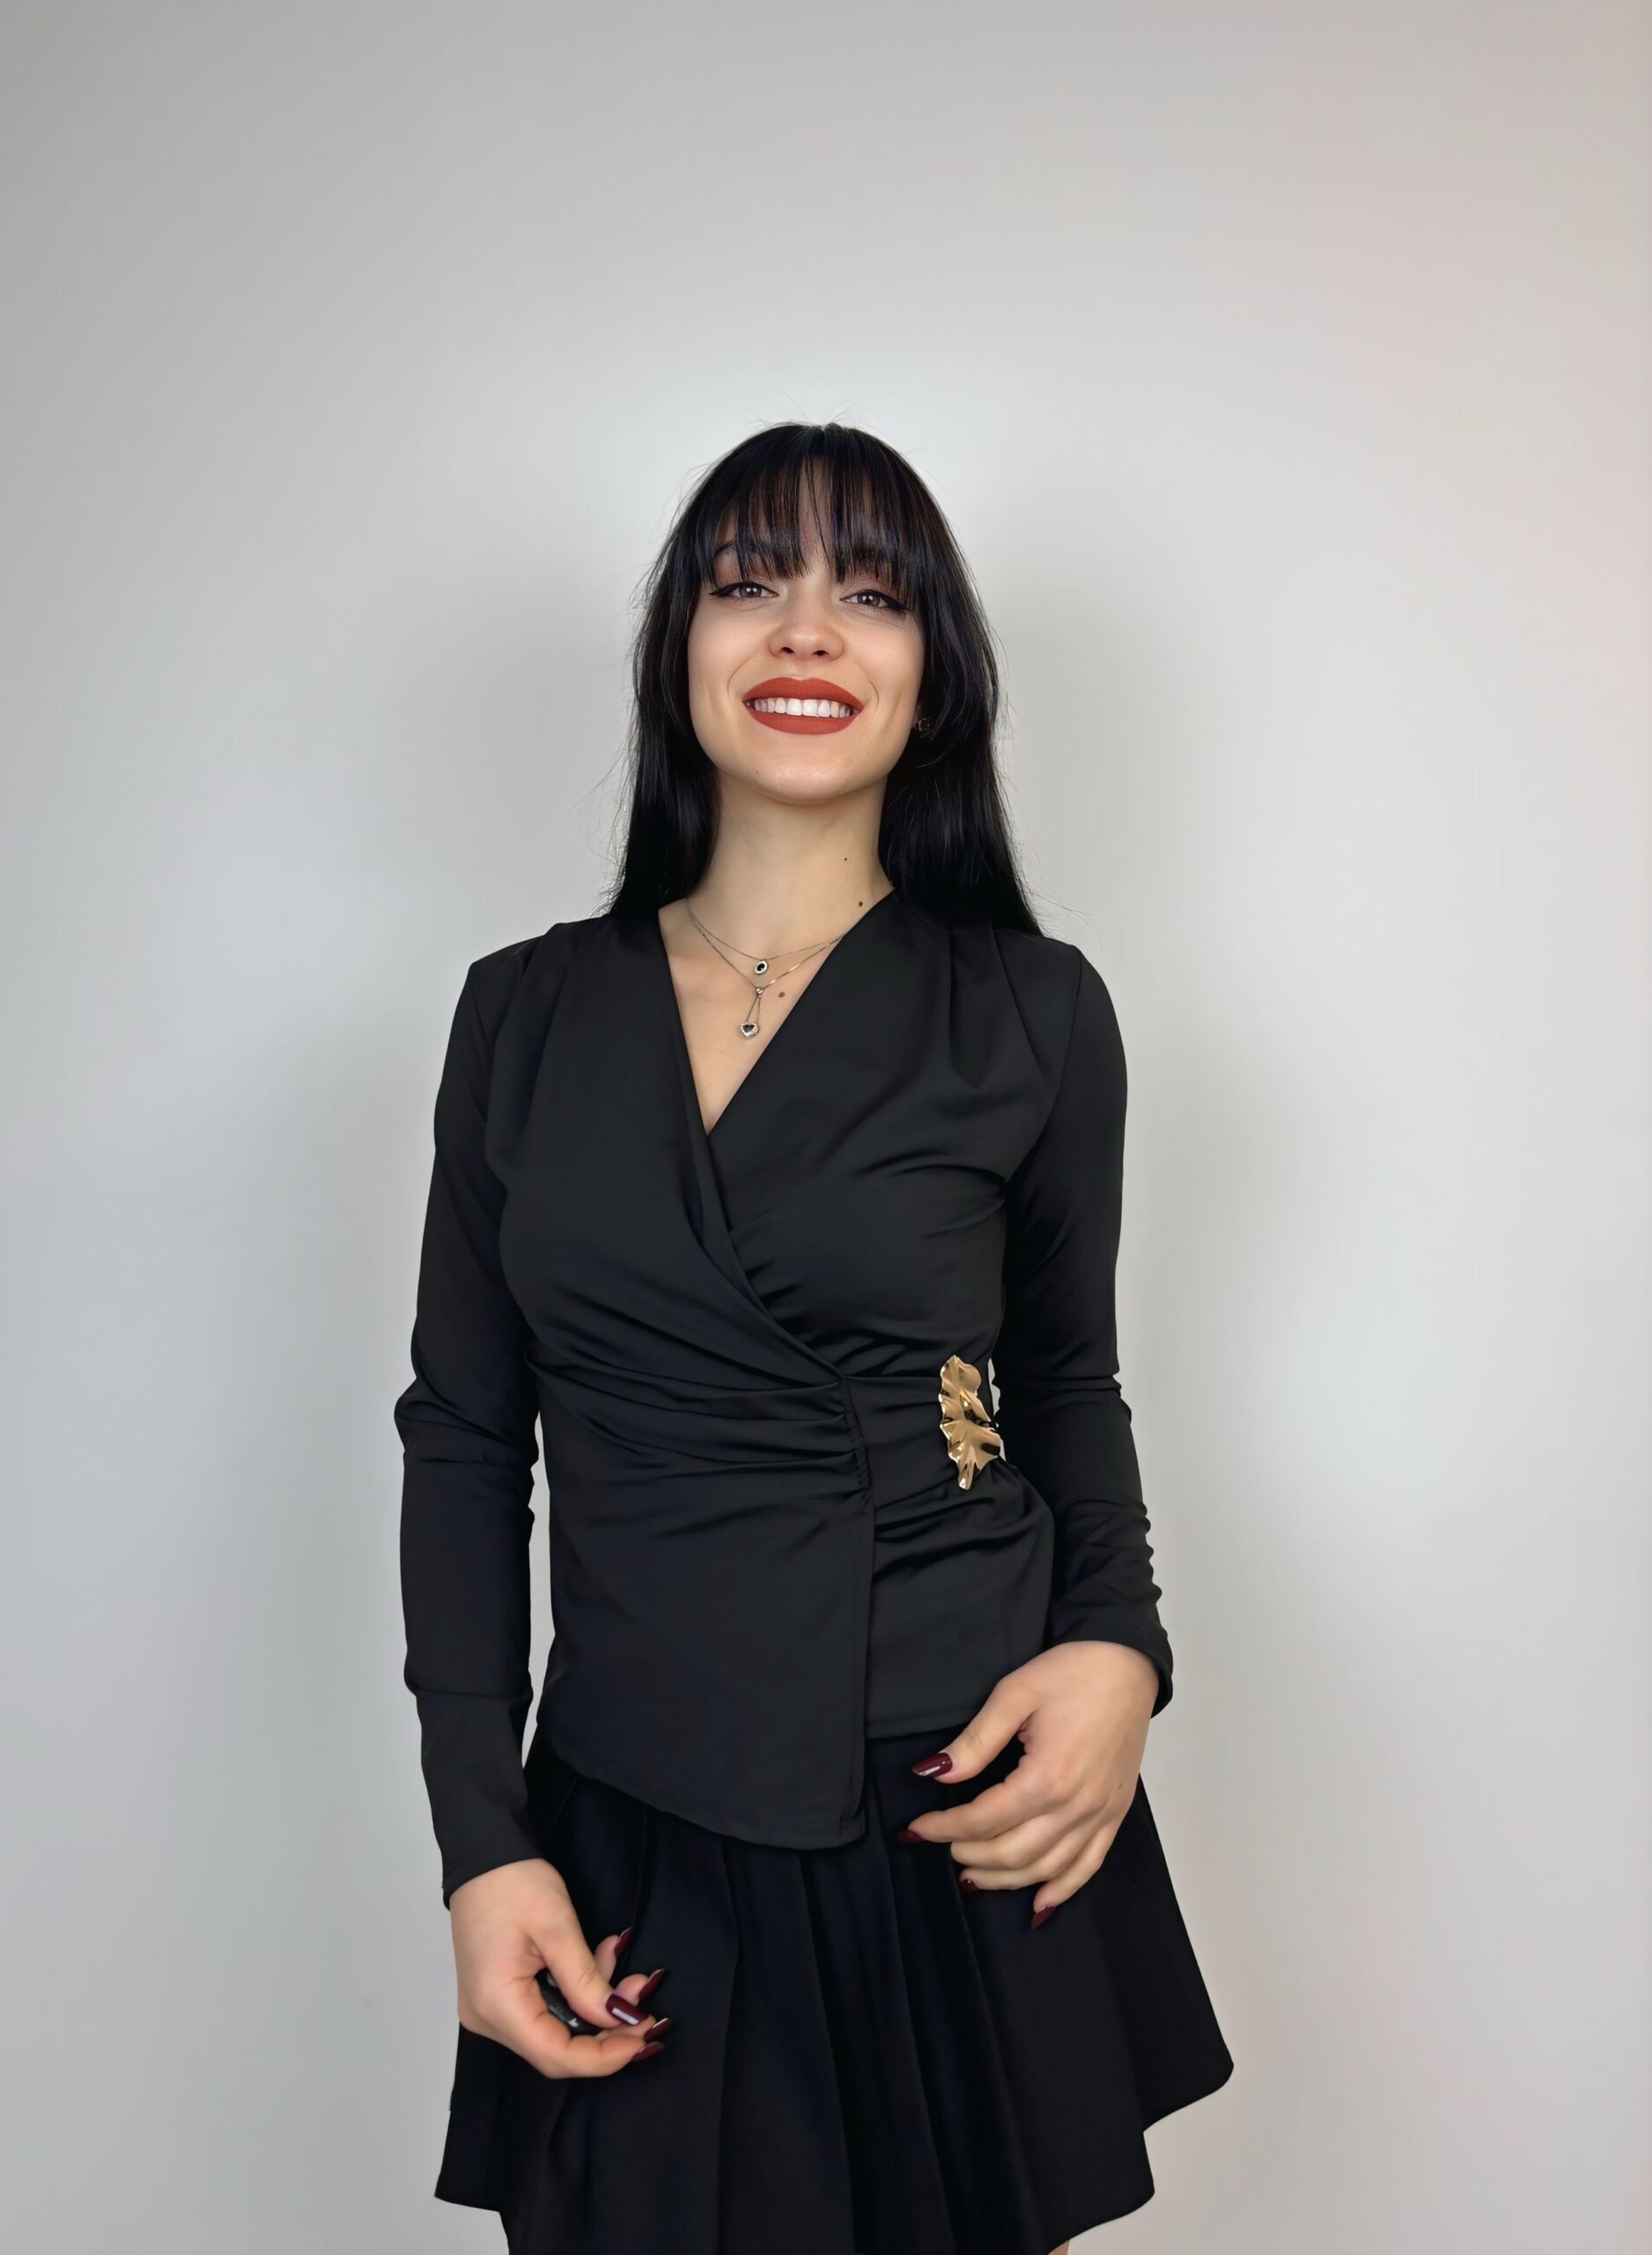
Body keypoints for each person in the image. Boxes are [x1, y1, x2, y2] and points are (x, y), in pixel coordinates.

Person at [394, 421, 1234, 2255]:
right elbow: (462, 1435)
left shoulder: (1031, 1010)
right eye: (748, 582)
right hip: (628, 1802)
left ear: (934, 674)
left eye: (871, 592)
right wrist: (482, 1837)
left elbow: (1064, 1380)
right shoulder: (521, 1015)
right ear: (679, 650)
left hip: (944, 1786)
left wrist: (1121, 1645)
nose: (806, 631)